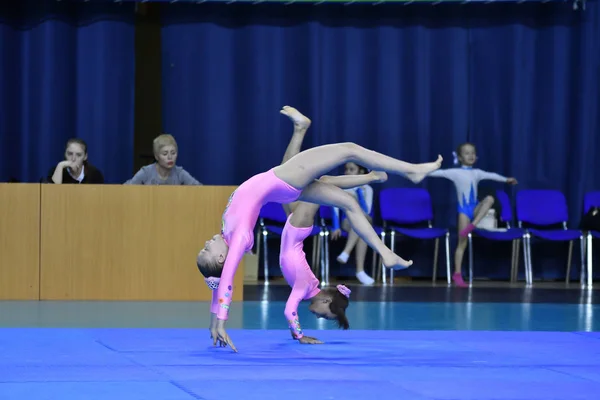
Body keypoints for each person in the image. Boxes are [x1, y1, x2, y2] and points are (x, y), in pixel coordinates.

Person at [197, 106, 443, 351]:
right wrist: (221, 323)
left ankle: (384, 251)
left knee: (347, 200)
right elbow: (226, 279)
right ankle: (411, 171)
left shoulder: (227, 234)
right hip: (284, 181)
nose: (207, 242)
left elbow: (219, 282)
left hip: (281, 187)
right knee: (350, 150)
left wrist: (213, 321)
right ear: (220, 256)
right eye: (207, 249)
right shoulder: (239, 237)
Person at [426, 142, 518, 287]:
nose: (471, 155)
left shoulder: (477, 173)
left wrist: (506, 180)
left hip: (474, 209)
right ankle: (457, 274)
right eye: (467, 153)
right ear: (460, 158)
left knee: (490, 199)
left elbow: (492, 175)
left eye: (473, 153)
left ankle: (473, 225)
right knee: (461, 244)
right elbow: (437, 173)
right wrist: (414, 171)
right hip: (463, 211)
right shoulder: (454, 172)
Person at [125, 134, 201, 185]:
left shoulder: (180, 173)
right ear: (156, 156)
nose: (170, 157)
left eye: (173, 153)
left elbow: (201, 190)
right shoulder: (146, 173)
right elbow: (125, 189)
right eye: (165, 154)